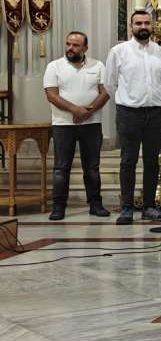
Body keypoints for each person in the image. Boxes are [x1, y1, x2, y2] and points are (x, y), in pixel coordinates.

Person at [105, 10, 161, 224]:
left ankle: (149, 206)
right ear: (131, 26)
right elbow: (110, 83)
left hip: (155, 113)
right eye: (138, 23)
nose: (143, 27)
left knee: (152, 161)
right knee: (128, 160)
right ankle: (127, 208)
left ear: (152, 26)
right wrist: (128, 100)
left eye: (147, 23)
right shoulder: (119, 51)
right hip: (129, 113)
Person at [44, 32, 110, 220]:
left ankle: (95, 205)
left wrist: (88, 112)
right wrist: (76, 110)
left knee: (92, 167)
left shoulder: (98, 65)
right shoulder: (54, 66)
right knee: (61, 167)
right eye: (68, 44)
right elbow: (51, 95)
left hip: (91, 124)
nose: (70, 48)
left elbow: (106, 92)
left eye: (76, 45)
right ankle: (58, 207)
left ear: (85, 48)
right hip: (63, 124)